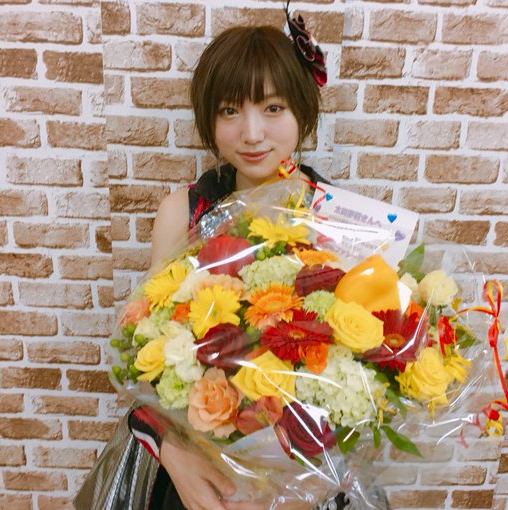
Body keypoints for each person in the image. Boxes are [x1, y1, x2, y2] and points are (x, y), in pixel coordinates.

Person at [76, 8, 388, 510]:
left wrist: (301, 487)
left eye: (273, 107)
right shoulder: (184, 212)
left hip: (305, 473)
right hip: (196, 464)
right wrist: (173, 453)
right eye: (229, 111)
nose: (252, 133)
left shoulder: (340, 218)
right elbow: (142, 350)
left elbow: (373, 371)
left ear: (302, 110)